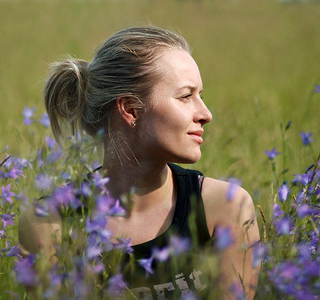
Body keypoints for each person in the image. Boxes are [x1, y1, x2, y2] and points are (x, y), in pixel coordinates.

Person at [18, 26, 260, 299]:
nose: (206, 114)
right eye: (186, 96)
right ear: (131, 109)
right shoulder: (48, 223)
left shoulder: (225, 208)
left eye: (200, 96)